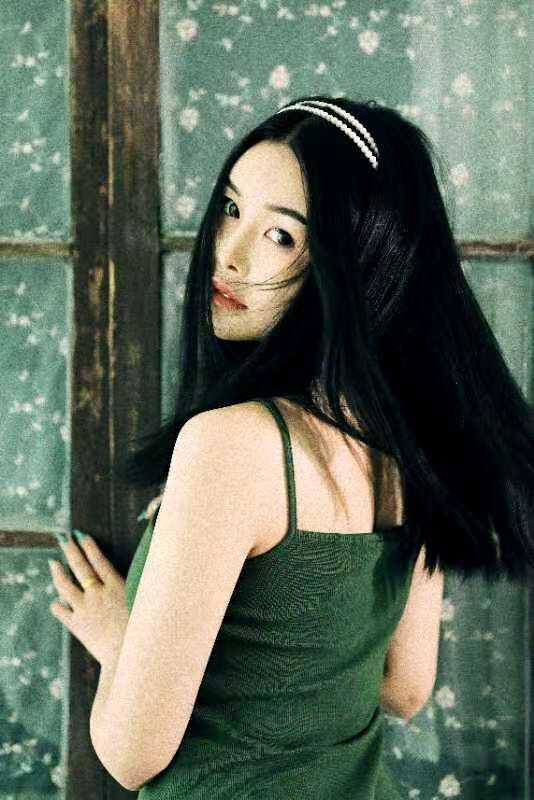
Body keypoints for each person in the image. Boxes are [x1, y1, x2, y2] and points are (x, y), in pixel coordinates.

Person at [53, 94, 534, 798]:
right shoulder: (410, 443)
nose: (229, 254)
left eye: (281, 236)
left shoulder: (231, 446)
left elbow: (132, 755)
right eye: (231, 208)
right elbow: (406, 687)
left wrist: (117, 632)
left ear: (350, 267)